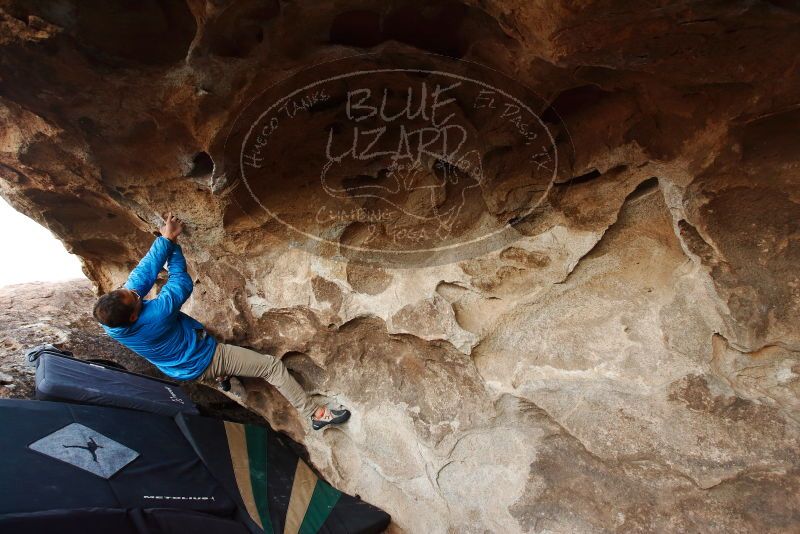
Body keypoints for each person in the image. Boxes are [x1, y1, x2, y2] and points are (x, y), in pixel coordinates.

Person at [92, 212, 350, 430]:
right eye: (134, 296)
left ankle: (223, 380)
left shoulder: (112, 321)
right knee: (271, 367)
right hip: (205, 359)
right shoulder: (156, 316)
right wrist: (174, 245)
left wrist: (165, 239)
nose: (134, 291)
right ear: (135, 315)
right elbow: (180, 281)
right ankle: (315, 415)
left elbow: (142, 275)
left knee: (214, 367)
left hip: (178, 366)